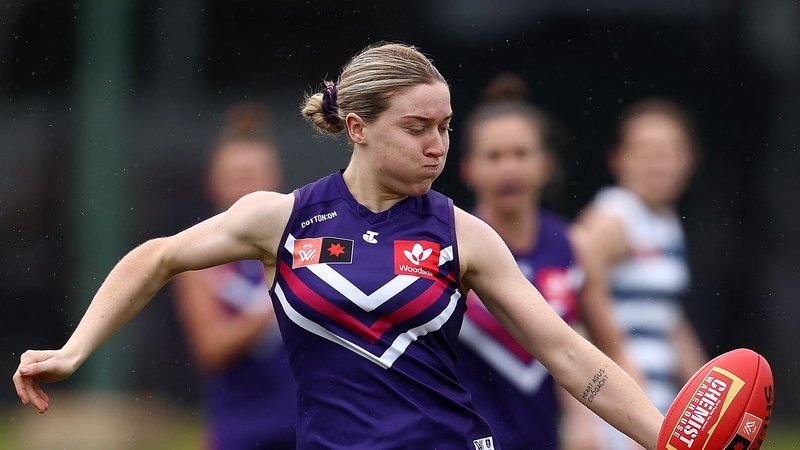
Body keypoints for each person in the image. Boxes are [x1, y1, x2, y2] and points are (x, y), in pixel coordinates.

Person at [14, 42, 664, 450]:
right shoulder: (282, 219)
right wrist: (74, 350)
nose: (437, 144)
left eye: (444, 126)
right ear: (357, 127)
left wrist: (668, 440)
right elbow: (153, 257)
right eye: (417, 128)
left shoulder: (463, 234)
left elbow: (575, 359)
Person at [455, 73, 597, 450]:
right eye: (494, 156)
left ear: (546, 164)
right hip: (464, 435)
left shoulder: (575, 244)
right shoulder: (446, 244)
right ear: (468, 169)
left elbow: (591, 342)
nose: (508, 169)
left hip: (546, 436)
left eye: (520, 154)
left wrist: (584, 421)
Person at [569, 98, 708, 449]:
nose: (659, 161)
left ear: (689, 160)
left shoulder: (665, 224)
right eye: (646, 150)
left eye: (670, 150)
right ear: (618, 160)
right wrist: (624, 368)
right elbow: (574, 288)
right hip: (620, 405)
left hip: (657, 401)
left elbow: (667, 318)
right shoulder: (614, 215)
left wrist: (709, 384)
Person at [170, 102, 296, 449]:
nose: (248, 185)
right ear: (214, 183)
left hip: (310, 428)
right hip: (242, 430)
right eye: (237, 176)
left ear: (276, 178)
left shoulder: (305, 246)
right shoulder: (199, 259)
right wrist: (277, 301)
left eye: (255, 174)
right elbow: (211, 349)